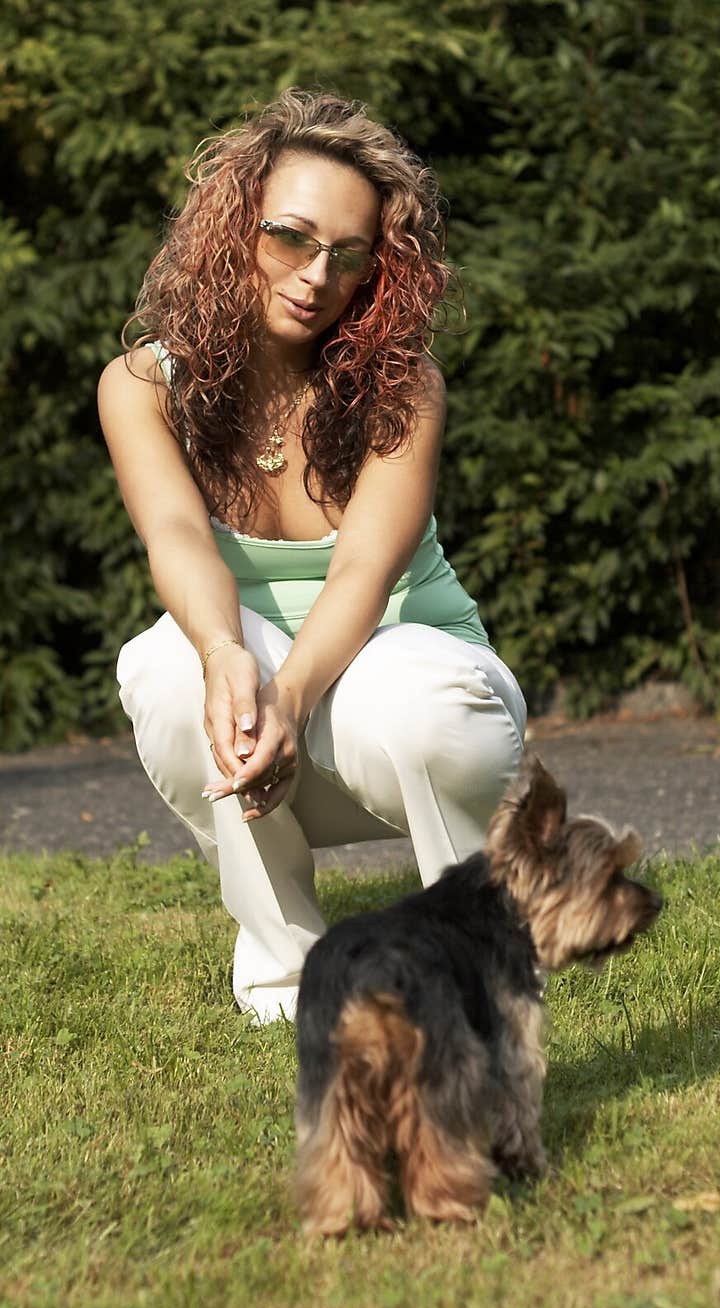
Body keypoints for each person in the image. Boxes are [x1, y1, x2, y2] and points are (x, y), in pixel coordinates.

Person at [98, 88, 527, 1025]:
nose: (314, 275)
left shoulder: (403, 387)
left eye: (349, 254)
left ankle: (475, 972)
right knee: (169, 668)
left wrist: (290, 694)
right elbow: (175, 535)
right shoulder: (143, 386)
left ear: (382, 268)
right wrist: (226, 659)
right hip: (262, 733)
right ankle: (283, 976)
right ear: (230, 228)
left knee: (426, 709)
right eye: (290, 237)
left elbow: (364, 574)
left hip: (404, 715)